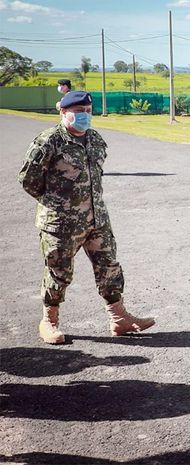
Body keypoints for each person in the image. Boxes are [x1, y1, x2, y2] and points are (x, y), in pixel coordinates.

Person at [18, 91, 156, 345]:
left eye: (88, 111)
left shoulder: (95, 139)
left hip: (96, 220)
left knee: (109, 267)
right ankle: (49, 320)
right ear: (64, 112)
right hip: (60, 224)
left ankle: (119, 318)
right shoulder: (49, 141)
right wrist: (58, 206)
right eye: (79, 110)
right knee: (59, 272)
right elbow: (28, 180)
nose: (84, 116)